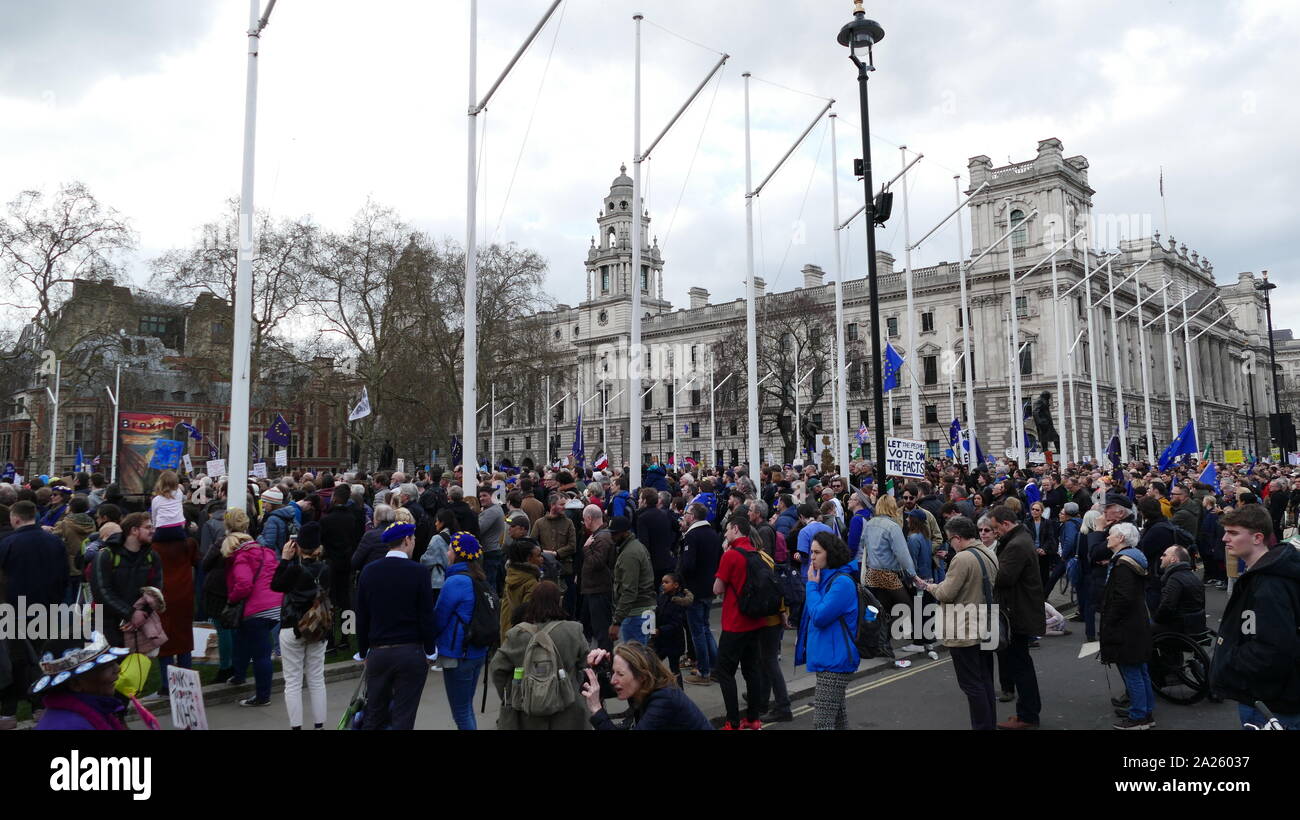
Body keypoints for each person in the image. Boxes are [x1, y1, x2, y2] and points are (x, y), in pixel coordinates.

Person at [1208, 504, 1300, 729]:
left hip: (1268, 703)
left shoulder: (1269, 585)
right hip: (1269, 698)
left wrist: (1228, 661)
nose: (1224, 539)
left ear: (1258, 537)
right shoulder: (1264, 575)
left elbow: (1272, 649)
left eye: (1233, 533)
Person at [914, 516, 1000, 730]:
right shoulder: (988, 553)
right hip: (984, 622)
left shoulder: (962, 559)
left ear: (957, 538)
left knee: (971, 684)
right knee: (984, 679)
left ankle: (982, 726)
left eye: (949, 539)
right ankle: (988, 723)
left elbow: (946, 593)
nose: (949, 544)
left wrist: (928, 586)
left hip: (964, 627)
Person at [354, 521, 437, 730]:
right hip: (411, 651)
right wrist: (430, 650)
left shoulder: (369, 572)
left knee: (374, 714)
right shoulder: (418, 572)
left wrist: (363, 652)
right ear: (407, 540)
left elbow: (362, 616)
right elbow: (426, 615)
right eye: (414, 539)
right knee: (404, 716)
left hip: (379, 652)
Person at [488, 580, 590, 730]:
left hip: (527, 710)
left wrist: (513, 693)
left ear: (532, 602)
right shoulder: (574, 631)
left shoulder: (517, 635)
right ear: (559, 601)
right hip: (568, 707)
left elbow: (497, 668)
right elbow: (585, 665)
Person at [794, 530, 860, 730]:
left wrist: (811, 587)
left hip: (835, 663)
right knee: (838, 720)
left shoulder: (841, 582)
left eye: (817, 552)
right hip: (828, 659)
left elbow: (820, 617)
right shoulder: (825, 579)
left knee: (822, 723)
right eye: (811, 552)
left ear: (830, 553)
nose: (812, 557)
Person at [988, 505, 1045, 729]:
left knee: (1020, 667)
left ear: (1005, 524)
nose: (994, 533)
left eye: (995, 529)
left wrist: (987, 566)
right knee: (1022, 665)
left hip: (1017, 613)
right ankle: (1026, 712)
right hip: (1019, 610)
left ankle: (1028, 716)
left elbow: (1003, 578)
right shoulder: (1020, 538)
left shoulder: (1016, 545)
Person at [271, 520, 331, 730]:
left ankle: (296, 726)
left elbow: (276, 585)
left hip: (292, 625)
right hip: (317, 627)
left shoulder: (294, 570)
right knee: (316, 678)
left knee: (293, 681)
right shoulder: (326, 569)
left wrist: (285, 560)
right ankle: (319, 725)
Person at [712, 513, 768, 730]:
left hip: (735, 622)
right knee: (751, 670)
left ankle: (732, 721)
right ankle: (753, 719)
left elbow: (717, 588)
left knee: (725, 671)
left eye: (727, 529)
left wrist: (724, 556)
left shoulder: (731, 555)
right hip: (755, 621)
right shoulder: (757, 553)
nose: (725, 533)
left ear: (735, 529)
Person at [1098, 521, 1155, 729]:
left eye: (1111, 535)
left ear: (1121, 538)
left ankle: (1139, 716)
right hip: (1137, 622)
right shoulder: (1133, 559)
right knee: (1140, 669)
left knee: (1132, 671)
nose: (1107, 538)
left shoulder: (1123, 565)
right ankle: (1145, 711)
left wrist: (1110, 622)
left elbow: (1122, 598)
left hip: (1126, 626)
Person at [431, 532, 490, 730]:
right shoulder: (480, 578)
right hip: (477, 651)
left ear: (458, 554)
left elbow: (439, 618)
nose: (447, 553)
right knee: (466, 708)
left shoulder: (455, 582)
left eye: (449, 550)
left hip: (459, 653)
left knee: (462, 713)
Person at [224, 509, 283, 707]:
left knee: (261, 653)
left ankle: (262, 696)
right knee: (242, 640)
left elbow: (243, 584)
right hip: (274, 605)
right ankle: (238, 675)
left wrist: (232, 599)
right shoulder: (266, 552)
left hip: (256, 609)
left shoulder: (242, 556)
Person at [580, 643, 712, 730]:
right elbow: (587, 689)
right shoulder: (640, 685)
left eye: (620, 674)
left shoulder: (664, 699)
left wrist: (597, 709)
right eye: (613, 672)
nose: (613, 680)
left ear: (642, 676)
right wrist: (594, 667)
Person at [90, 512, 164, 650]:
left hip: (138, 622)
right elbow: (101, 592)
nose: (152, 531)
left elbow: (156, 589)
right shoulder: (105, 555)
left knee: (136, 667)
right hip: (107, 622)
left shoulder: (152, 556)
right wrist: (130, 613)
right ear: (134, 530)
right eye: (148, 527)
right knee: (110, 667)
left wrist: (143, 613)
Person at [30, 632, 133, 730]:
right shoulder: (69, 726)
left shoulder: (94, 711)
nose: (117, 669)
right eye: (106, 666)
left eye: (114, 662)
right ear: (75, 684)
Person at [151, 515, 199, 699]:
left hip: (162, 598)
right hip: (184, 596)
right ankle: (187, 682)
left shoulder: (153, 548)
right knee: (184, 639)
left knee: (164, 641)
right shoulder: (189, 544)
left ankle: (166, 684)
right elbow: (197, 561)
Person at [679, 503, 722, 686]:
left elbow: (688, 565)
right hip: (709, 587)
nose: (685, 515)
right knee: (705, 628)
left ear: (693, 516)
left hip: (694, 589)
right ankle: (715, 667)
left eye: (687, 513)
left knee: (698, 631)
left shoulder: (692, 536)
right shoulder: (713, 534)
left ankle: (703, 671)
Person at [579, 504, 615, 650]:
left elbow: (596, 563)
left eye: (584, 519)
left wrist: (586, 549)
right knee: (592, 627)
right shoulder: (600, 535)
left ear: (589, 518)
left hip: (598, 589)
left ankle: (605, 664)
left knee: (601, 630)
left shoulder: (602, 538)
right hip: (593, 588)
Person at [1153, 545, 1206, 636]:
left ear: (1173, 559)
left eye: (1164, 555)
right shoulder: (1193, 576)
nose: (1161, 557)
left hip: (1180, 627)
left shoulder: (1175, 579)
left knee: (1142, 627)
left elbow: (1166, 607)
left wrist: (1155, 619)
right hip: (1196, 625)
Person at [501, 533, 544, 636]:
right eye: (538, 556)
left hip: (507, 631)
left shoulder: (511, 576)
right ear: (529, 559)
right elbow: (529, 616)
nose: (542, 558)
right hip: (521, 636)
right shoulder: (531, 582)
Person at [150, 471, 187, 544]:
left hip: (161, 529)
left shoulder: (156, 500)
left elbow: (154, 516)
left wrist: (154, 527)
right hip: (178, 528)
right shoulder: (179, 493)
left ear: (160, 483)